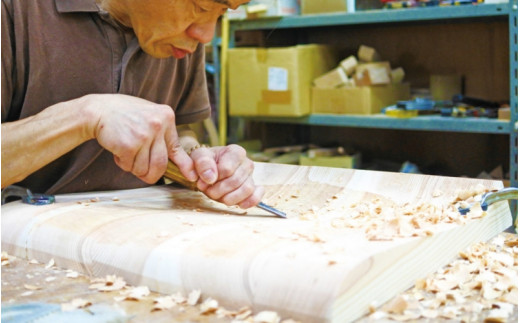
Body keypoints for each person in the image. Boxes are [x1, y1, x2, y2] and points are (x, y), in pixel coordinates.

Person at [1, 0, 265, 209]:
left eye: (221, 14)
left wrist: (199, 160)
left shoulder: (180, 38)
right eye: (202, 6)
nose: (205, 35)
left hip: (133, 232)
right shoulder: (14, 10)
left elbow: (180, 131)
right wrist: (86, 116)